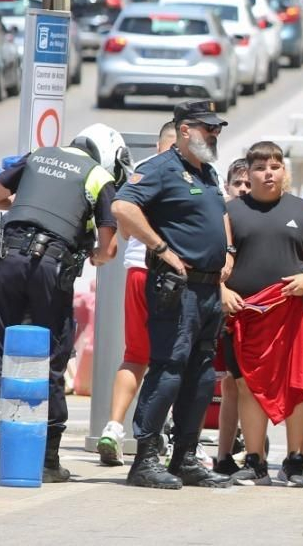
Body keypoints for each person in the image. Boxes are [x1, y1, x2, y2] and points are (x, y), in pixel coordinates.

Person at [0, 123, 130, 483]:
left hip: (10, 261)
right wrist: (88, 250)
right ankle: (47, 458)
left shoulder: (37, 156)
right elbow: (107, 251)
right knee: (53, 354)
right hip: (51, 267)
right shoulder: (97, 177)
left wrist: (27, 206)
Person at [114, 101, 236, 490]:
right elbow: (122, 206)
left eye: (216, 129)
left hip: (207, 288)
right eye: (206, 129)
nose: (213, 135)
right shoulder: (160, 168)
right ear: (184, 131)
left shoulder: (208, 171)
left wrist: (228, 251)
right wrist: (162, 249)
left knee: (200, 375)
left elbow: (218, 216)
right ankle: (145, 459)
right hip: (176, 288)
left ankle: (184, 456)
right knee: (168, 369)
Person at [220, 142, 303, 487]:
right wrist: (223, 292)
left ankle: (295, 461)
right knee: (247, 385)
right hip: (246, 316)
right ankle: (255, 461)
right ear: (248, 173)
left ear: (284, 171)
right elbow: (218, 262)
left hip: (291, 313)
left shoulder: (301, 209)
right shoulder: (231, 212)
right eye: (261, 167)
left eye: (275, 166)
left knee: (300, 385)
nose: (268, 172)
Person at [97, 121, 176, 466]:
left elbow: (126, 231)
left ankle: (114, 427)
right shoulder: (194, 173)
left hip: (136, 272)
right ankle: (154, 433)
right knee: (171, 360)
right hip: (171, 275)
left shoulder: (141, 172)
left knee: (135, 356)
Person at [212, 158, 254, 475]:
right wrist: (222, 289)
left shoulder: (265, 214)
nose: (242, 189)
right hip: (225, 313)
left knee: (256, 386)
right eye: (237, 183)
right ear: (227, 186)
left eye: (247, 184)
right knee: (230, 384)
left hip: (260, 311)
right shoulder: (219, 215)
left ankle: (259, 455)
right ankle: (223, 455)